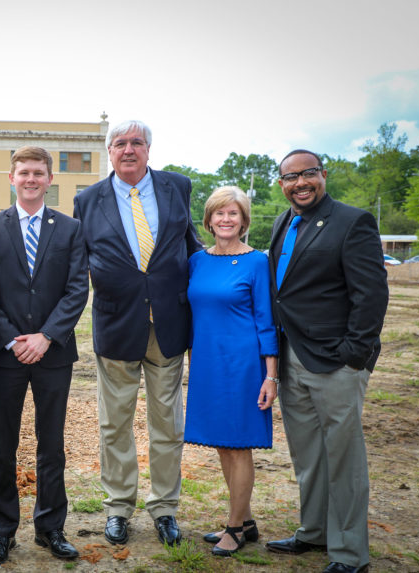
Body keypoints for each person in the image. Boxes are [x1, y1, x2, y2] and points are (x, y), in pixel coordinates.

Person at [73, 120, 202, 546]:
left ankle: (164, 508)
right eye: (121, 143)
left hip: (168, 324)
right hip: (116, 324)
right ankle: (118, 508)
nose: (129, 150)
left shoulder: (177, 187)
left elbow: (190, 245)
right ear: (109, 151)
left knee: (168, 424)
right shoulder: (87, 200)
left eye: (137, 143)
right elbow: (77, 263)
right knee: (114, 425)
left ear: (149, 149)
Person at [265, 150, 388, 573]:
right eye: (290, 177)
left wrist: (355, 356)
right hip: (290, 356)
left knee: (344, 459)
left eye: (308, 174)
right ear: (281, 183)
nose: (300, 183)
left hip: (336, 362)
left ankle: (350, 553)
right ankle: (313, 532)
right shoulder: (283, 222)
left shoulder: (353, 222)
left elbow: (371, 296)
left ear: (323, 175)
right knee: (309, 455)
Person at [0, 146, 89, 565]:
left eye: (39, 173)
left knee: (51, 445)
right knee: (3, 446)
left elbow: (78, 288)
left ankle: (50, 528)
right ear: (11, 177)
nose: (31, 179)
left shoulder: (71, 229)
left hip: (54, 355)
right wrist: (13, 339)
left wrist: (46, 337)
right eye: (24, 172)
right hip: (5, 357)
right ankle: (3, 531)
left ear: (49, 179)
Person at [183, 186, 278, 557]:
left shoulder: (257, 262)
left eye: (233, 214)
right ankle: (248, 521)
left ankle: (235, 527)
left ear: (244, 221)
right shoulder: (197, 261)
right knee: (224, 444)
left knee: (239, 447)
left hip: (242, 365)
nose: (226, 219)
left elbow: (266, 321)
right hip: (207, 362)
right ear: (208, 220)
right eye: (219, 213)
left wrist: (271, 375)